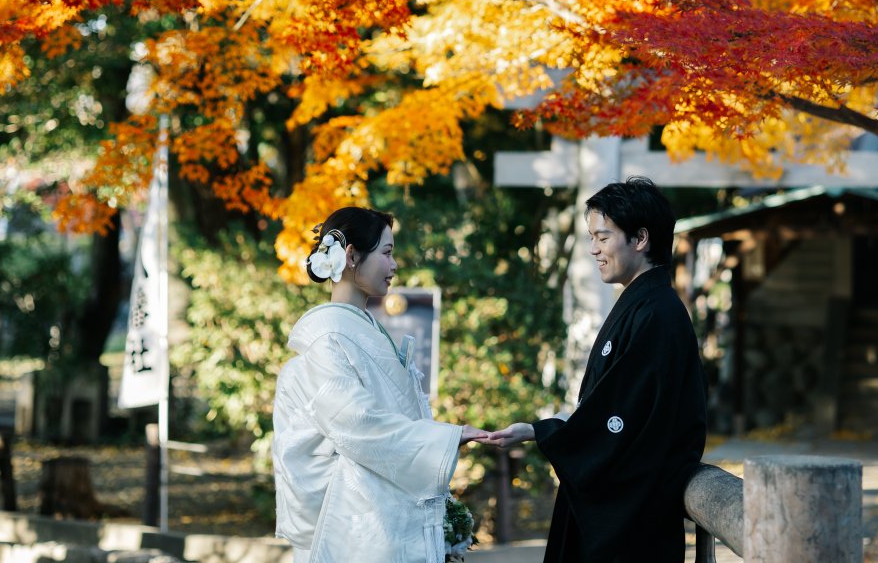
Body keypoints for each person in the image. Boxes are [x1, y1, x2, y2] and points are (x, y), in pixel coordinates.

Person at [483, 177, 707, 562]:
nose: (594, 249)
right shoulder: (643, 305)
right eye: (592, 238)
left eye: (603, 237)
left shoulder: (658, 314)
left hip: (634, 518)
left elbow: (622, 417)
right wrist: (541, 430)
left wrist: (543, 432)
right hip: (627, 508)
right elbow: (610, 405)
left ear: (640, 238)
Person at [272, 206, 486, 563]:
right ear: (351, 256)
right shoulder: (326, 337)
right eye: (386, 253)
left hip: (376, 523)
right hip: (352, 527)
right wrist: (446, 437)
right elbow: (356, 423)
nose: (394, 265)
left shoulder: (359, 331)